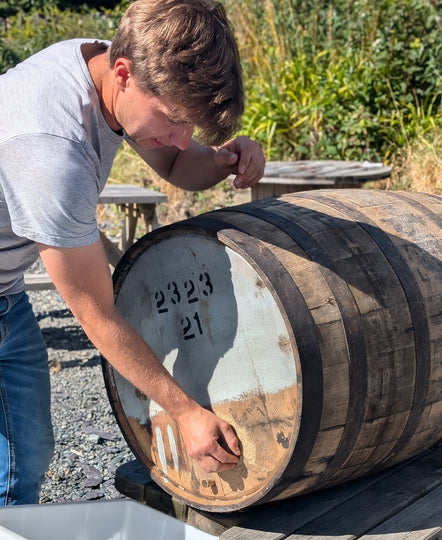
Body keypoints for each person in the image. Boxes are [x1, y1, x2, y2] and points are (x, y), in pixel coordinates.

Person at [0, 0, 265, 505]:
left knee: (23, 457)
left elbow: (175, 161)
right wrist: (184, 411)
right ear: (123, 74)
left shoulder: (108, 67)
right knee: (13, 473)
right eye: (172, 120)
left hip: (5, 297)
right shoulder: (50, 145)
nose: (181, 138)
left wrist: (225, 159)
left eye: (190, 125)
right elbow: (95, 312)